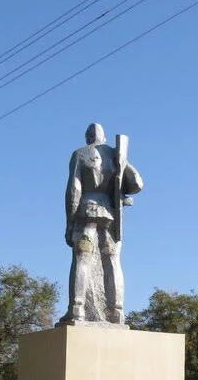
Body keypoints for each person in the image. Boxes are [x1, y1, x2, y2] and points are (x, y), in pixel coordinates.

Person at [59, 122, 143, 324]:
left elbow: (74, 189)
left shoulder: (80, 154)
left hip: (86, 213)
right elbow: (138, 184)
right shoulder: (115, 156)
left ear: (88, 137)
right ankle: (116, 311)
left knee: (82, 259)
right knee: (112, 260)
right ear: (103, 137)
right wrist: (120, 168)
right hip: (109, 216)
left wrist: (70, 222)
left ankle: (77, 308)